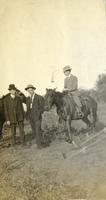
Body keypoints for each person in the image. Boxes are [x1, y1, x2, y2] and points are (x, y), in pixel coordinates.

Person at [25, 84, 45, 148]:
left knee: (37, 130)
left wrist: (38, 113)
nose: (30, 91)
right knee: (34, 130)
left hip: (37, 117)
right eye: (28, 90)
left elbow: (42, 107)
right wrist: (27, 116)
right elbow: (28, 108)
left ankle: (39, 145)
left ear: (33, 90)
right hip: (31, 118)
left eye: (31, 90)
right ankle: (39, 142)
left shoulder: (39, 97)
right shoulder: (28, 99)